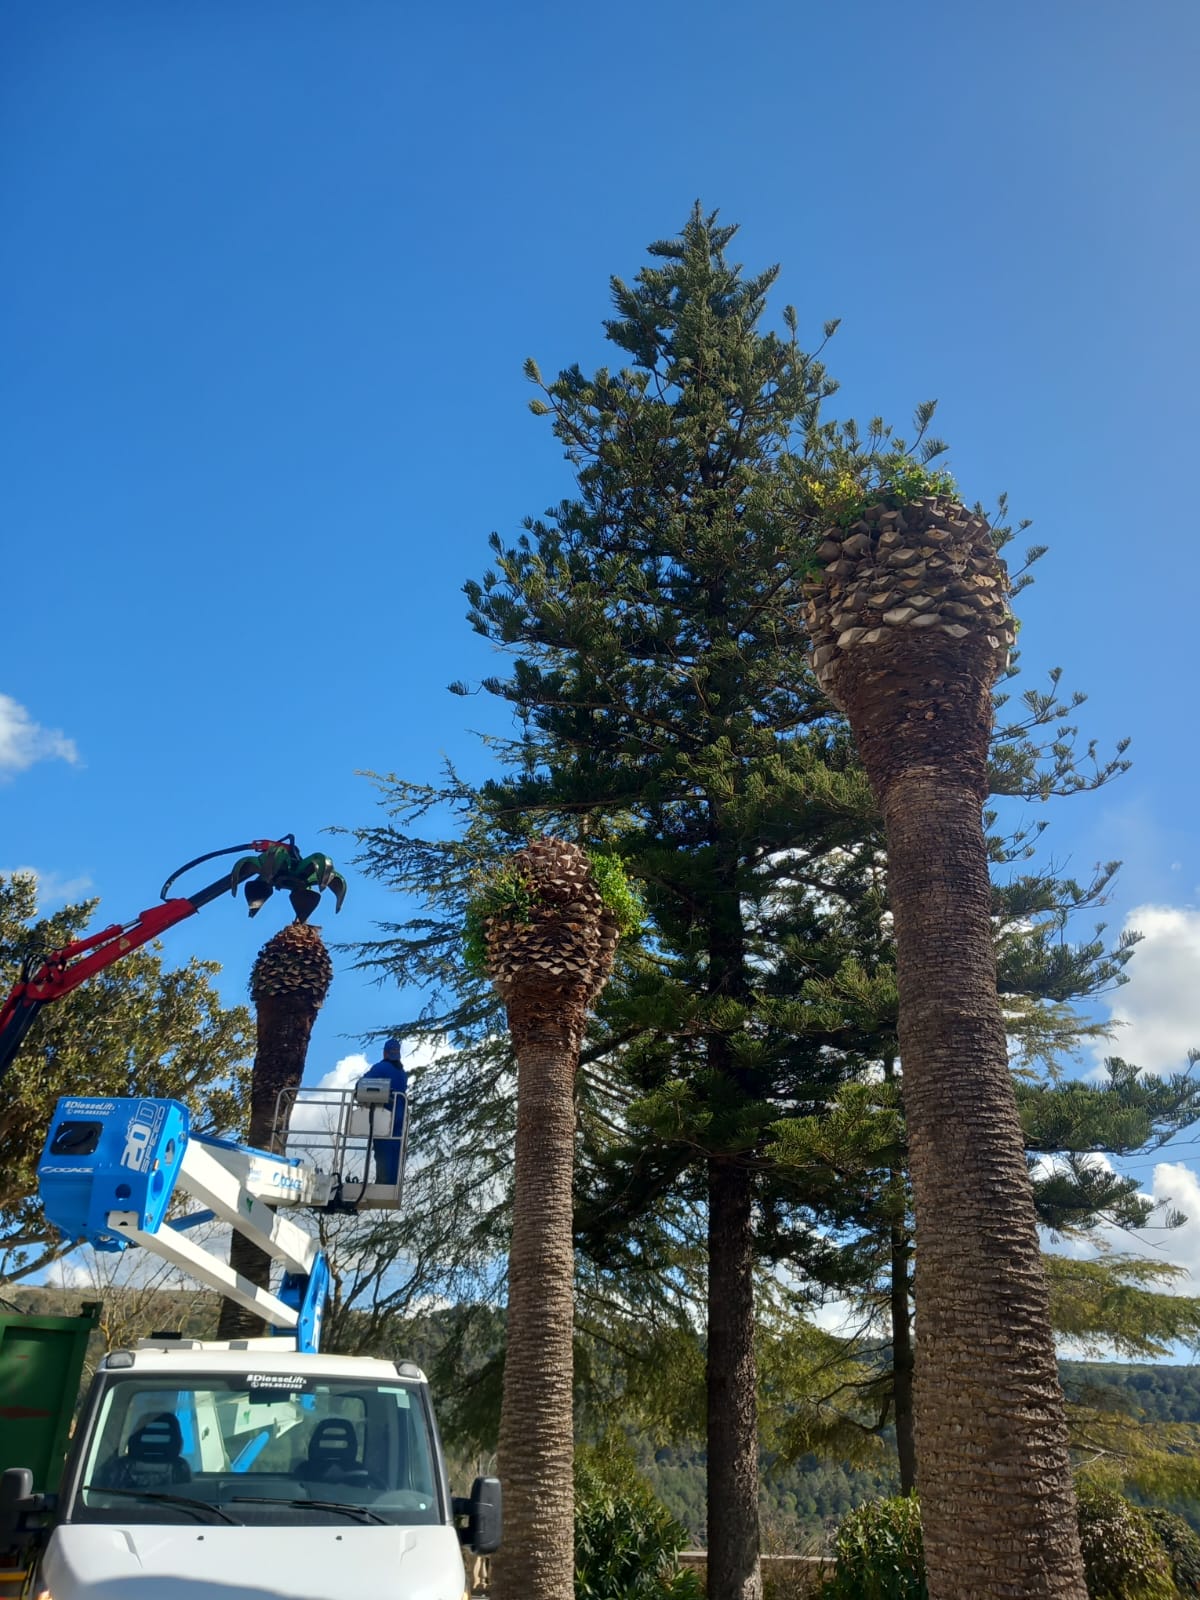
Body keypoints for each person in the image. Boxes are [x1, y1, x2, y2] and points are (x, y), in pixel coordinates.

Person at [357, 1038, 409, 1185]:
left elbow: (361, 1085)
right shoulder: (402, 1073)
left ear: (385, 1052)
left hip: (384, 1116)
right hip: (399, 1118)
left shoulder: (381, 1068)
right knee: (395, 1151)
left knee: (383, 1150)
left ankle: (383, 1182)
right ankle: (392, 1183)